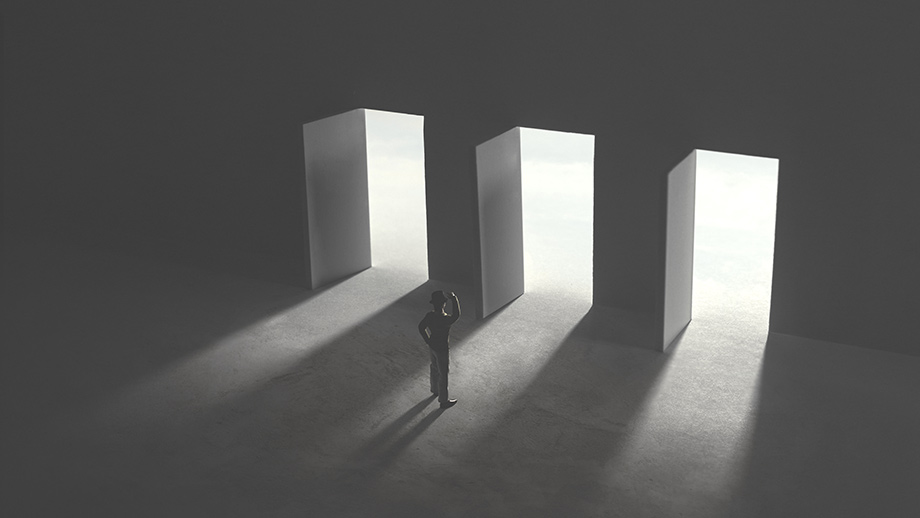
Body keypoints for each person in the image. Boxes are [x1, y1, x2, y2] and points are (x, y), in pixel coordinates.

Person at [418, 290, 461, 409]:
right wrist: (454, 298)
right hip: (442, 349)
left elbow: (421, 327)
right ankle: (443, 400)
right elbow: (457, 315)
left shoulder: (430, 316)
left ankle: (434, 389)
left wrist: (428, 340)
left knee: (434, 367)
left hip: (432, 346)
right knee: (443, 374)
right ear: (444, 304)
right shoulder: (445, 320)